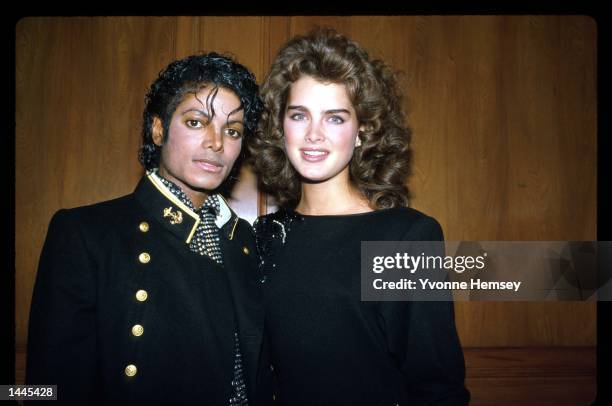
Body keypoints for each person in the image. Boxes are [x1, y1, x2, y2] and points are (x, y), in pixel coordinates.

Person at [26, 53, 272, 405]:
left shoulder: (244, 240)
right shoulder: (86, 233)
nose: (216, 142)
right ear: (158, 129)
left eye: (232, 131)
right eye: (196, 122)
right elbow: (44, 391)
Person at [249, 28, 470, 405]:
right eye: (299, 115)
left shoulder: (405, 237)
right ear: (279, 127)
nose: (314, 135)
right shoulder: (262, 236)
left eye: (335, 118)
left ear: (362, 131)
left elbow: (437, 387)